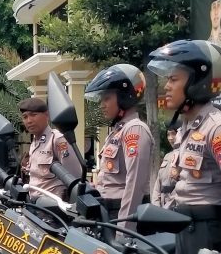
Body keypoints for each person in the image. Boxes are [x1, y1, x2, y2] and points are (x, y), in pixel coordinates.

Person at [147, 40, 221, 254]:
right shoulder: (188, 127)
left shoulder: (220, 127)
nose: (166, 86)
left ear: (197, 82)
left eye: (174, 79)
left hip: (212, 232)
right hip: (186, 228)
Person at [85, 63, 154, 228]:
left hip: (122, 215)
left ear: (124, 96)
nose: (102, 104)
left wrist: (124, 229)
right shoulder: (118, 131)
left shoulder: (134, 130)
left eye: (107, 98)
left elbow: (134, 185)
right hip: (108, 212)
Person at [19, 97, 83, 201]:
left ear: (46, 115)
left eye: (33, 115)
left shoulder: (57, 139)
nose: (29, 121)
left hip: (54, 206)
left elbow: (74, 176)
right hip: (37, 204)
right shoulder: (35, 142)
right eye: (25, 117)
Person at [152, 122, 182, 209]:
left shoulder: (185, 156)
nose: (170, 138)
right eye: (168, 134)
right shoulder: (167, 156)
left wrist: (167, 207)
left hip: (176, 205)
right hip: (161, 205)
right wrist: (156, 205)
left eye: (173, 134)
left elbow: (183, 185)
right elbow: (158, 184)